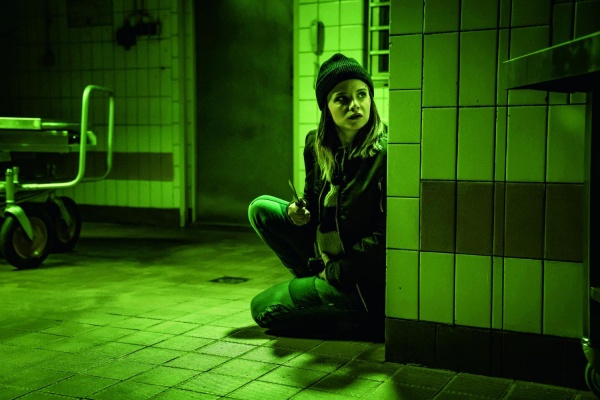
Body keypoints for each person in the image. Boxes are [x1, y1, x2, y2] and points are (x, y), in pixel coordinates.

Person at [248, 53, 387, 340]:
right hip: (325, 257)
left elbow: (386, 234)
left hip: (360, 280)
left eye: (362, 94)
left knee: (264, 309)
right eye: (342, 98)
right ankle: (317, 285)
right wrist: (297, 211)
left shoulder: (386, 153)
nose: (355, 105)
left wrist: (337, 272)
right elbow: (311, 198)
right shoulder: (317, 145)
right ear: (326, 106)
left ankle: (353, 313)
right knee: (261, 209)